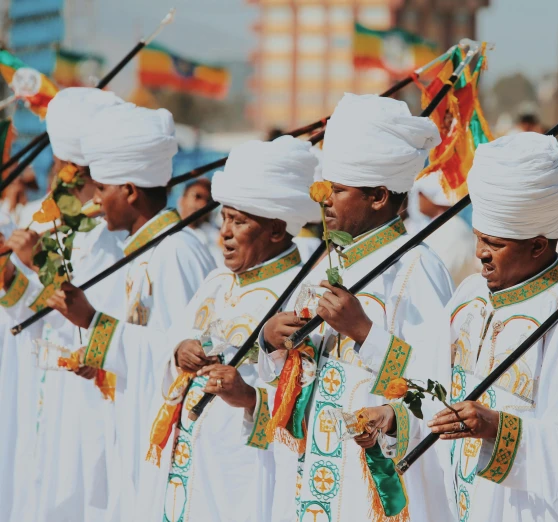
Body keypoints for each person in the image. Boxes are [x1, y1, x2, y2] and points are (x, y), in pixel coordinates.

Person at [257, 94, 453, 522]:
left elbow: (435, 386)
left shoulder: (418, 267)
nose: (325, 200)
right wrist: (273, 341)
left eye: (339, 191)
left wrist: (363, 331)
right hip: (311, 467)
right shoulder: (326, 262)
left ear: (379, 196)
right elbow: (292, 372)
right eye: (325, 188)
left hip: (369, 473)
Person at [426, 132, 558, 521]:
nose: (480, 254)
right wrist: (395, 417)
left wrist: (498, 429)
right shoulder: (469, 296)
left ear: (538, 245)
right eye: (479, 239)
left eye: (495, 244)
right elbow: (430, 385)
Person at [134, 136, 321, 522]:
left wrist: (249, 395)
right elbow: (176, 337)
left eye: (239, 221)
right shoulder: (217, 280)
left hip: (244, 471)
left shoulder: (304, 292)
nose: (225, 233)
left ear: (273, 229)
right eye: (224, 218)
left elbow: (309, 407)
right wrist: (179, 350)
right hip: (186, 460)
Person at [46, 103, 216, 520]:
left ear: (130, 190)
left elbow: (182, 363)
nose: (95, 201)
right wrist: (99, 358)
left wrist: (93, 323)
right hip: (133, 427)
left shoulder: (175, 252)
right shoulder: (145, 252)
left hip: (165, 443)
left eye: (102, 189)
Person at [0, 87, 130, 522]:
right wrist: (11, 278)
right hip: (43, 387)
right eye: (58, 166)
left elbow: (87, 320)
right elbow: (41, 318)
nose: (59, 178)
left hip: (88, 396)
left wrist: (34, 266)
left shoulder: (112, 236)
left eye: (69, 169)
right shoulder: (45, 218)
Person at [405, 171, 478, 285]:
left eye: (421, 193)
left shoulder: (453, 228)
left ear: (432, 196)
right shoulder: (440, 226)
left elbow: (443, 271)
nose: (417, 199)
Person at [178, 177, 223, 266]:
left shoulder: (217, 239)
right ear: (182, 200)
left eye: (208, 201)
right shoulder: (163, 231)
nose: (202, 204)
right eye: (197, 196)